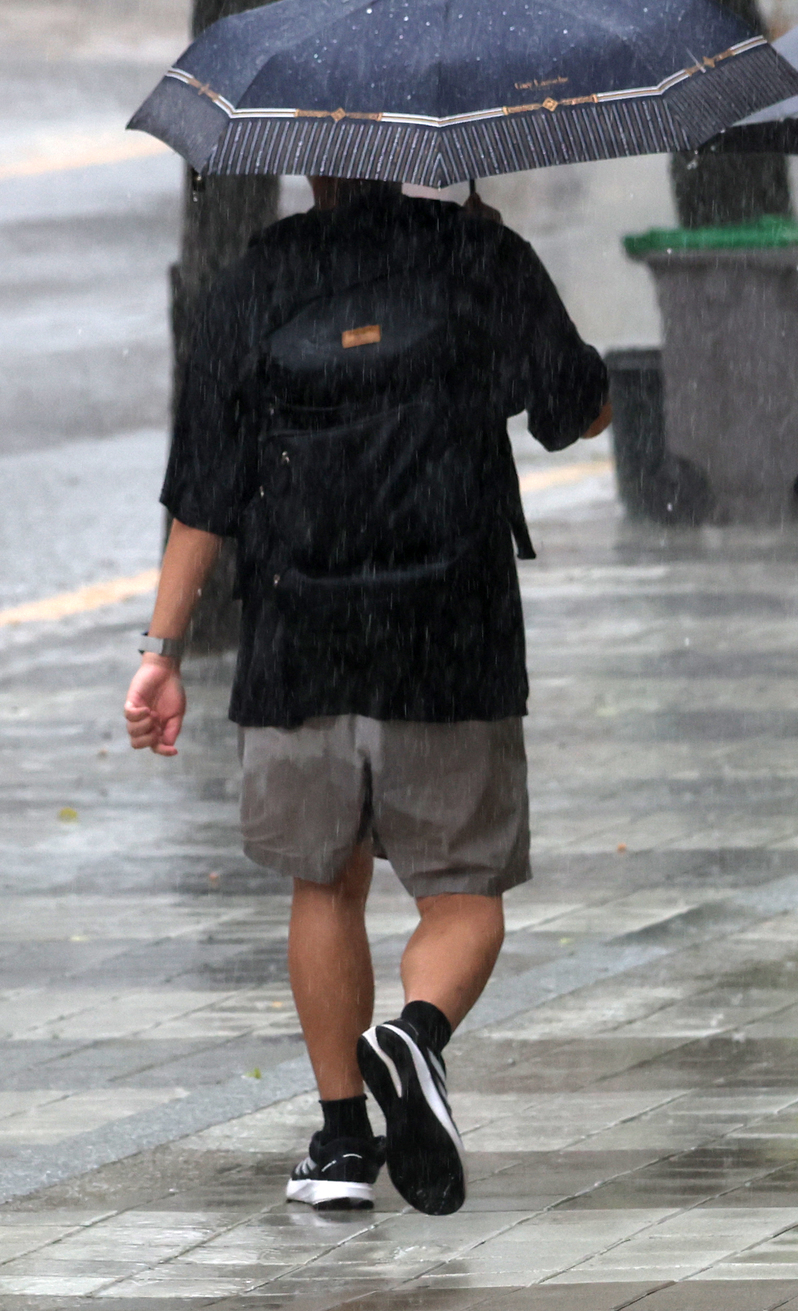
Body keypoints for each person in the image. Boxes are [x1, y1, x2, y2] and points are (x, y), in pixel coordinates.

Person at [123, 176, 610, 1211]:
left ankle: (343, 1142)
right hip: (452, 627)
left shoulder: (253, 279)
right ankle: (415, 1033)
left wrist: (160, 648)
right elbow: (577, 409)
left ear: (306, 162)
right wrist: (493, 255)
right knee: (464, 891)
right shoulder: (475, 254)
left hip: (300, 631)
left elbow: (203, 488)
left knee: (323, 881)